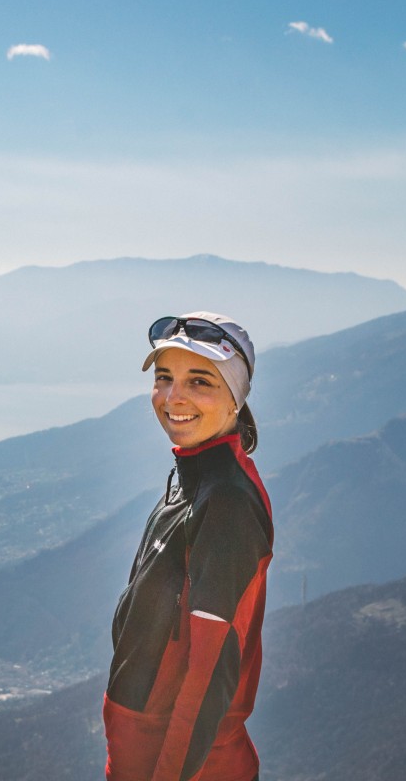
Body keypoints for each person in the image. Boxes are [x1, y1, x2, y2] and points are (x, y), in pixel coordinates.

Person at [103, 312, 273, 781]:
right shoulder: (194, 478)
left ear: (235, 399)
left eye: (200, 381)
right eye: (164, 378)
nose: (173, 397)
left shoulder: (226, 505)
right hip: (147, 753)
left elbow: (208, 675)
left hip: (188, 766)